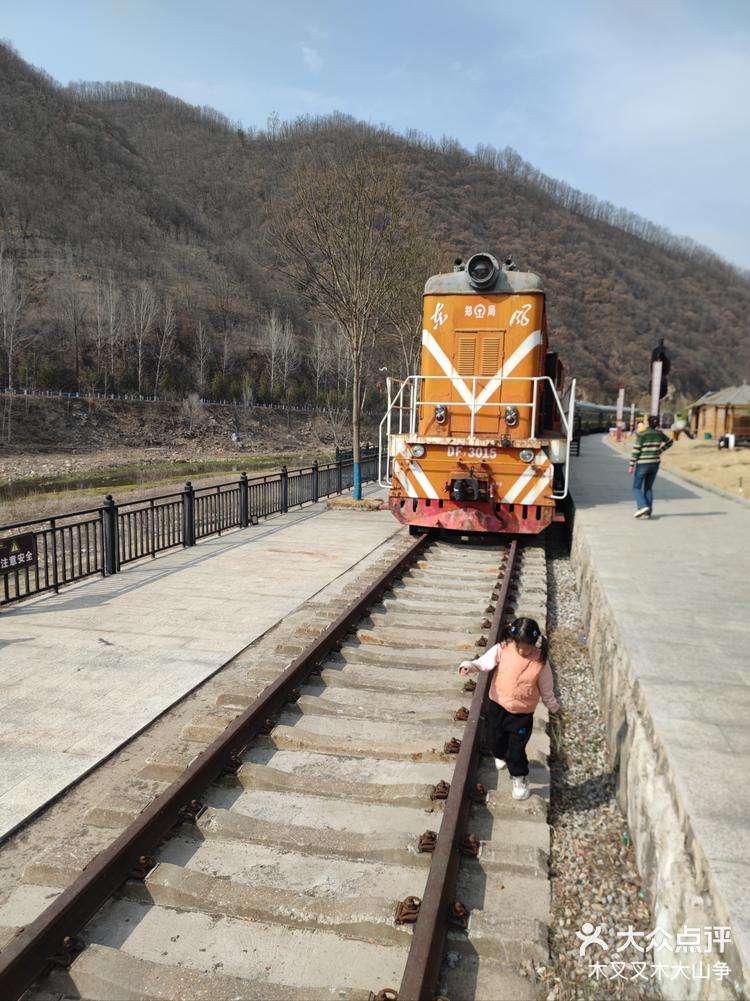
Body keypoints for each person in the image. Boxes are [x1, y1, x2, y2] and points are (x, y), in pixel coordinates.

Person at [458, 616, 561, 801]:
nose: (522, 650)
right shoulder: (503, 648)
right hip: (497, 706)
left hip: (521, 715)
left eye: (526, 647)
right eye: (519, 645)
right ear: (513, 640)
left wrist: (552, 705)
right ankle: (500, 754)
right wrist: (470, 666)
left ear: (534, 642)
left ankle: (520, 777)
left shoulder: (540, 663)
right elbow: (483, 663)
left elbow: (547, 689)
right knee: (494, 741)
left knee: (516, 750)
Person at [628, 415, 673, 518]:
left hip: (643, 463)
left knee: (636, 487)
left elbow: (636, 450)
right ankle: (648, 511)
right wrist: (660, 451)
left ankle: (642, 506)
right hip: (655, 463)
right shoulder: (659, 434)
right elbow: (670, 442)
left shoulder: (642, 434)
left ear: (647, 423)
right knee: (648, 488)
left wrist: (631, 465)